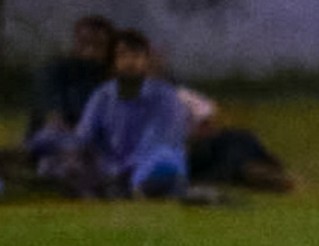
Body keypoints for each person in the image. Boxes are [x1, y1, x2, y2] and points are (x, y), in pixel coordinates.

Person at [57, 28, 190, 200]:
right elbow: (85, 134)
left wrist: (126, 169)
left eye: (136, 56)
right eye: (123, 56)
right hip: (111, 166)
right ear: (113, 62)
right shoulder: (103, 95)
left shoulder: (165, 96)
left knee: (165, 158)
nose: (130, 62)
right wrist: (74, 155)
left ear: (146, 61)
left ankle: (131, 188)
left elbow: (159, 140)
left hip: (150, 165)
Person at [18, 15, 116, 179]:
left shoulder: (111, 77)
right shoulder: (57, 71)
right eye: (84, 43)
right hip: (60, 135)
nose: (90, 51)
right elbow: (52, 115)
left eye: (98, 46)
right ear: (76, 43)